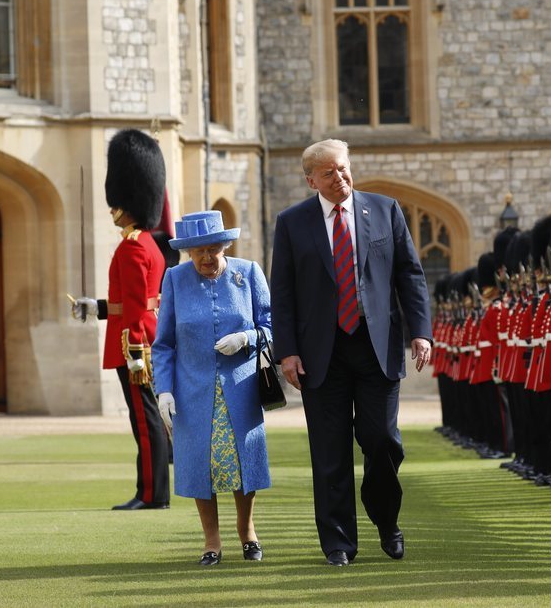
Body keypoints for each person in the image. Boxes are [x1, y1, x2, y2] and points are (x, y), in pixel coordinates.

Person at [270, 139, 433, 566]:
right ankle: (339, 543)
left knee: (381, 441)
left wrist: (421, 332)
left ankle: (386, 521)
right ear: (311, 180)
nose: (340, 178)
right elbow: (282, 292)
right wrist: (286, 352)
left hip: (376, 347)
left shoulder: (385, 209)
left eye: (343, 169)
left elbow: (409, 276)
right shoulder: (292, 223)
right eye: (328, 174)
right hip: (319, 354)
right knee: (329, 452)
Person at [151, 210, 272, 566]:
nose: (205, 257)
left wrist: (247, 337)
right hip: (192, 390)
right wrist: (164, 390)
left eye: (211, 249)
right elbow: (164, 344)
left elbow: (272, 325)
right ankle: (211, 541)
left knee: (241, 461)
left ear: (224, 244)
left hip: (241, 387)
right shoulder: (174, 279)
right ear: (188, 253)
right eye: (197, 251)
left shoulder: (248, 273)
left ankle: (247, 532)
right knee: (201, 463)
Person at [71, 129, 170, 511]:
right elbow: (133, 302)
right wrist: (94, 307)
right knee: (146, 419)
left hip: (135, 345)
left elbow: (133, 306)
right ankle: (152, 491)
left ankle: (151, 495)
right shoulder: (147, 244)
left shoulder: (132, 248)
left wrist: (134, 353)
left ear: (128, 202)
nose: (113, 209)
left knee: (144, 422)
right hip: (142, 339)